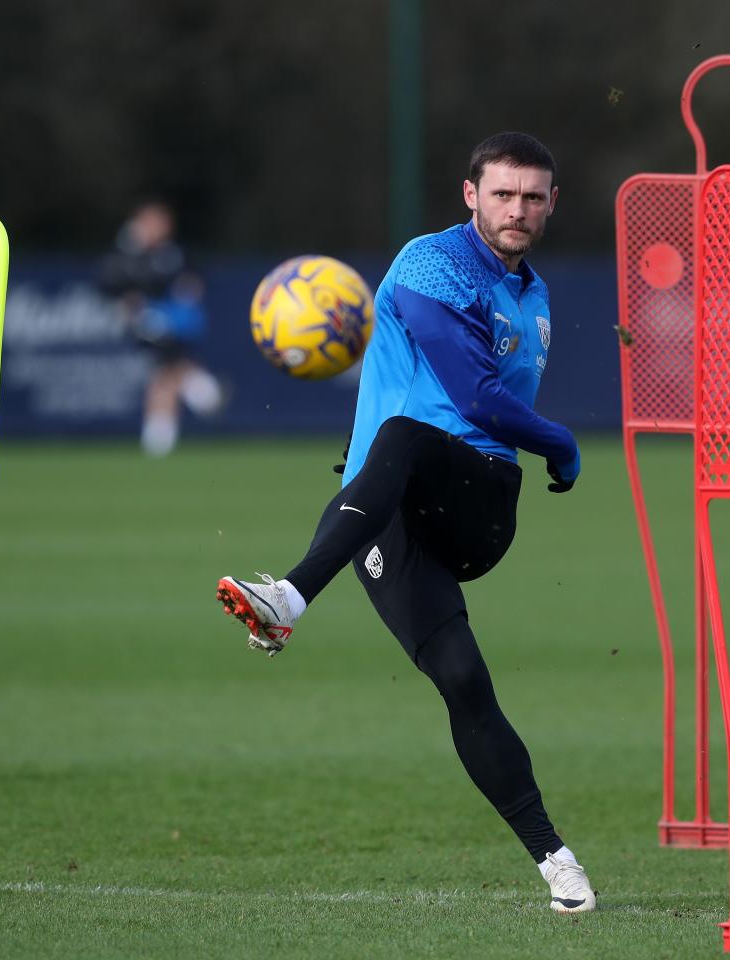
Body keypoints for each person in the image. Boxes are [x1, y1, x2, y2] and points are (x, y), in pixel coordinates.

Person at [216, 133, 594, 912]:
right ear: (470, 196)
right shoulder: (430, 264)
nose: (517, 209)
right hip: (384, 514)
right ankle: (557, 862)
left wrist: (555, 448)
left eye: (531, 197)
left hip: (479, 501)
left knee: (400, 439)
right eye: (502, 194)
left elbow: (480, 409)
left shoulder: (537, 293)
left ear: (552, 203)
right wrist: (560, 444)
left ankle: (288, 599)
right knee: (461, 681)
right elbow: (474, 390)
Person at [100, 200, 223, 456]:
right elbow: (112, 283)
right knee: (164, 371)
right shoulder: (129, 253)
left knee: (165, 371)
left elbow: (190, 280)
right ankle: (196, 388)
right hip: (148, 321)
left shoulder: (173, 254)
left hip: (178, 322)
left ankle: (162, 430)